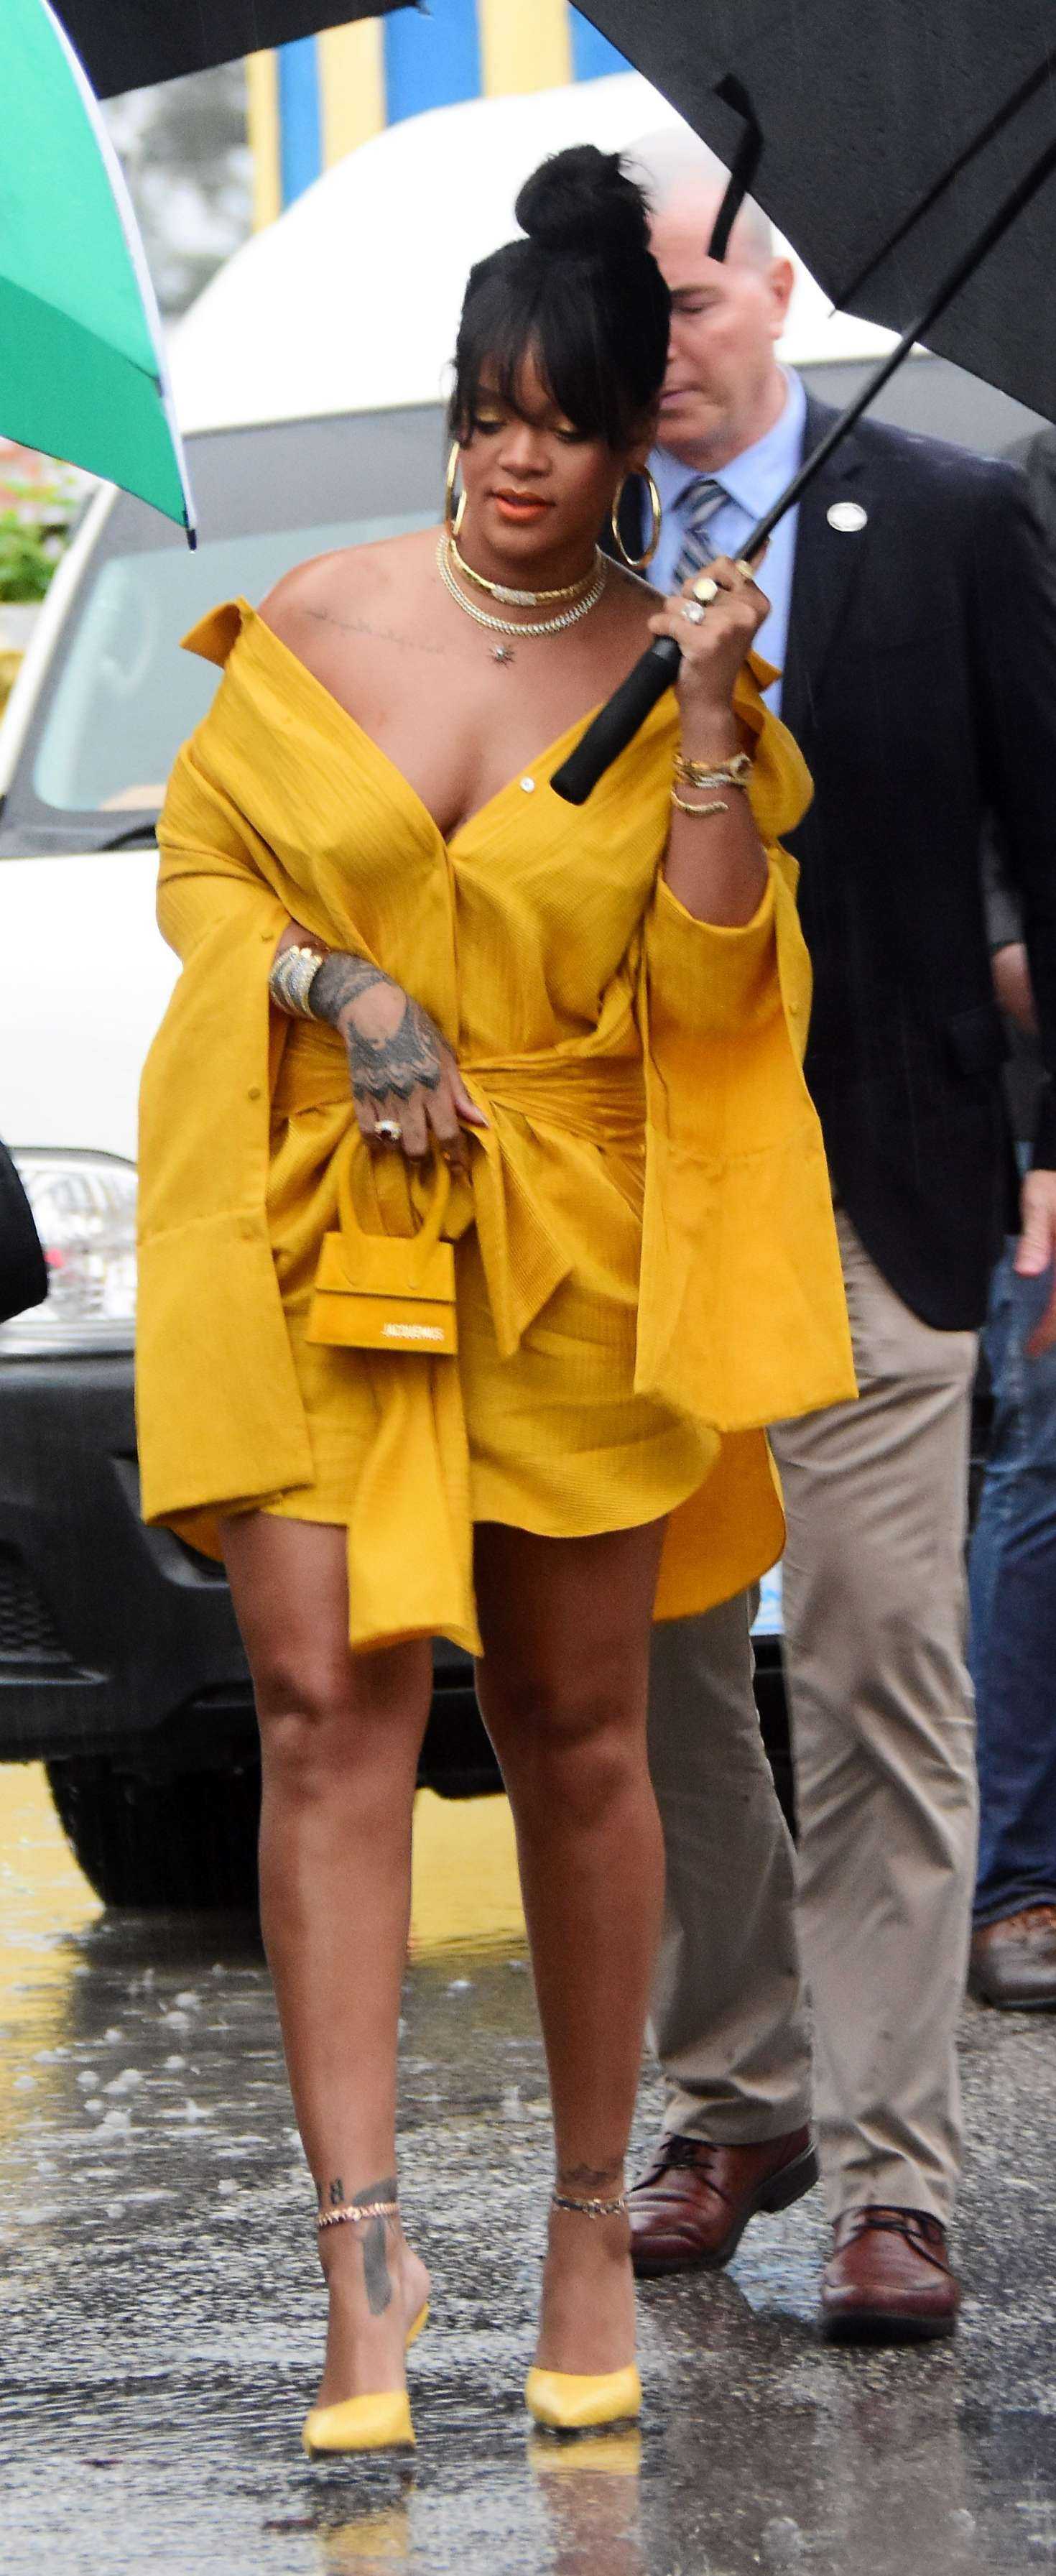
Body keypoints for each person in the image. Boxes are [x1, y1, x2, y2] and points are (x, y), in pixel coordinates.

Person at [134, 146, 853, 2452]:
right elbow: (203, 877)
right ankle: (362, 2260)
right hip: (326, 1225)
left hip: (568, 1253)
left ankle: (580, 2222)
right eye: (483, 414)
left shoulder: (670, 660)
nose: (513, 459)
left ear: (637, 432)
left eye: (560, 422)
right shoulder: (324, 616)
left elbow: (718, 977)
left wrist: (715, 714)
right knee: (321, 1705)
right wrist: (346, 988)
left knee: (577, 1731)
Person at [620, 134, 1056, 2340]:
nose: (658, 355)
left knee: (885, 1654)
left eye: (691, 306)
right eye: (626, 319)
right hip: (635, 1203)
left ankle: (896, 2174)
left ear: (778, 285)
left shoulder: (954, 517)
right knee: (666, 1667)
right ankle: (739, 2095)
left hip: (886, 1174)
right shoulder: (562, 541)